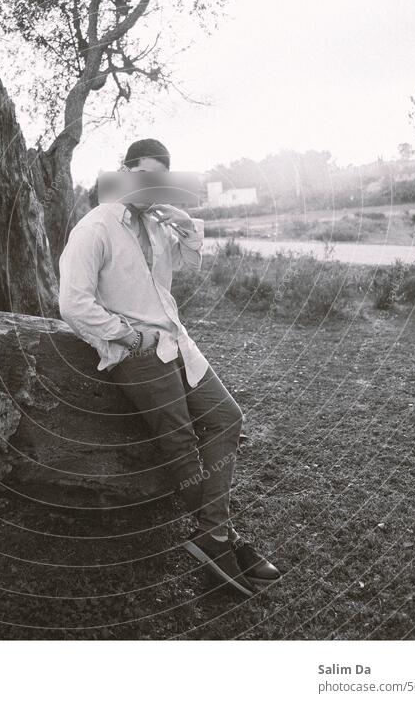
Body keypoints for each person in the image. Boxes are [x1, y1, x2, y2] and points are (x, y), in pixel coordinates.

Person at [58, 138, 280, 596]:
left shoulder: (158, 226)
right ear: (124, 171)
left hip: (178, 343)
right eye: (143, 176)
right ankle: (221, 538)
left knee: (226, 418)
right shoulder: (95, 227)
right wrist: (129, 335)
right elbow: (72, 303)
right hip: (137, 351)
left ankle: (215, 533)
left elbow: (188, 262)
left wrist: (187, 225)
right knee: (179, 438)